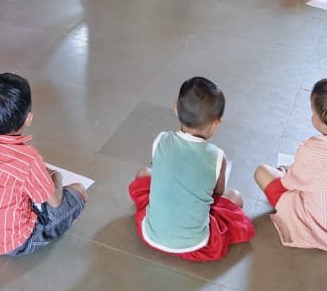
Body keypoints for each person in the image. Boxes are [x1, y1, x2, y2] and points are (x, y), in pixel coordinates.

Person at [129, 76, 255, 260]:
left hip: (151, 235)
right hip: (196, 245)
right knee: (234, 197)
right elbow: (217, 193)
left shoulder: (161, 139)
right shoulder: (217, 156)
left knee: (144, 173)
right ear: (216, 124)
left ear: (175, 108)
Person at [0, 72, 86, 256]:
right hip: (15, 243)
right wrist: (57, 176)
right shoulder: (28, 159)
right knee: (79, 190)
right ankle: (62, 223)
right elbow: (55, 201)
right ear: (29, 117)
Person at [254, 79, 327, 250]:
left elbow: (288, 183)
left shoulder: (312, 150)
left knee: (262, 172)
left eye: (313, 112)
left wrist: (286, 171)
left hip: (317, 224)